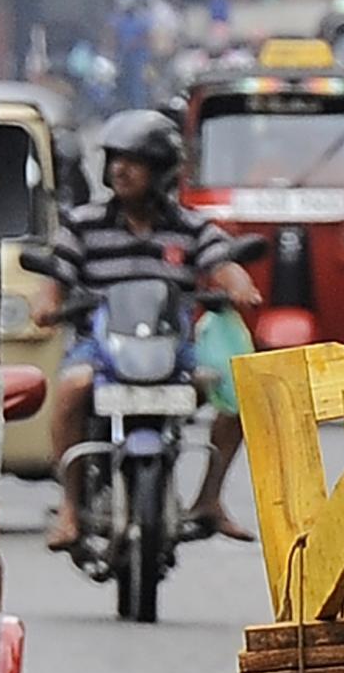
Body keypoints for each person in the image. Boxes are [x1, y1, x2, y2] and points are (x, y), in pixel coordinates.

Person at [35, 109, 263, 548]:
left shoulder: (190, 227)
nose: (120, 169)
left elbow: (222, 264)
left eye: (133, 161)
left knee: (237, 400)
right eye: (115, 159)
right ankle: (69, 505)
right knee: (68, 391)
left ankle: (209, 500)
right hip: (99, 352)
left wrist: (239, 287)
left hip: (173, 353)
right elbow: (54, 281)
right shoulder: (83, 224)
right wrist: (46, 305)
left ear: (160, 171)